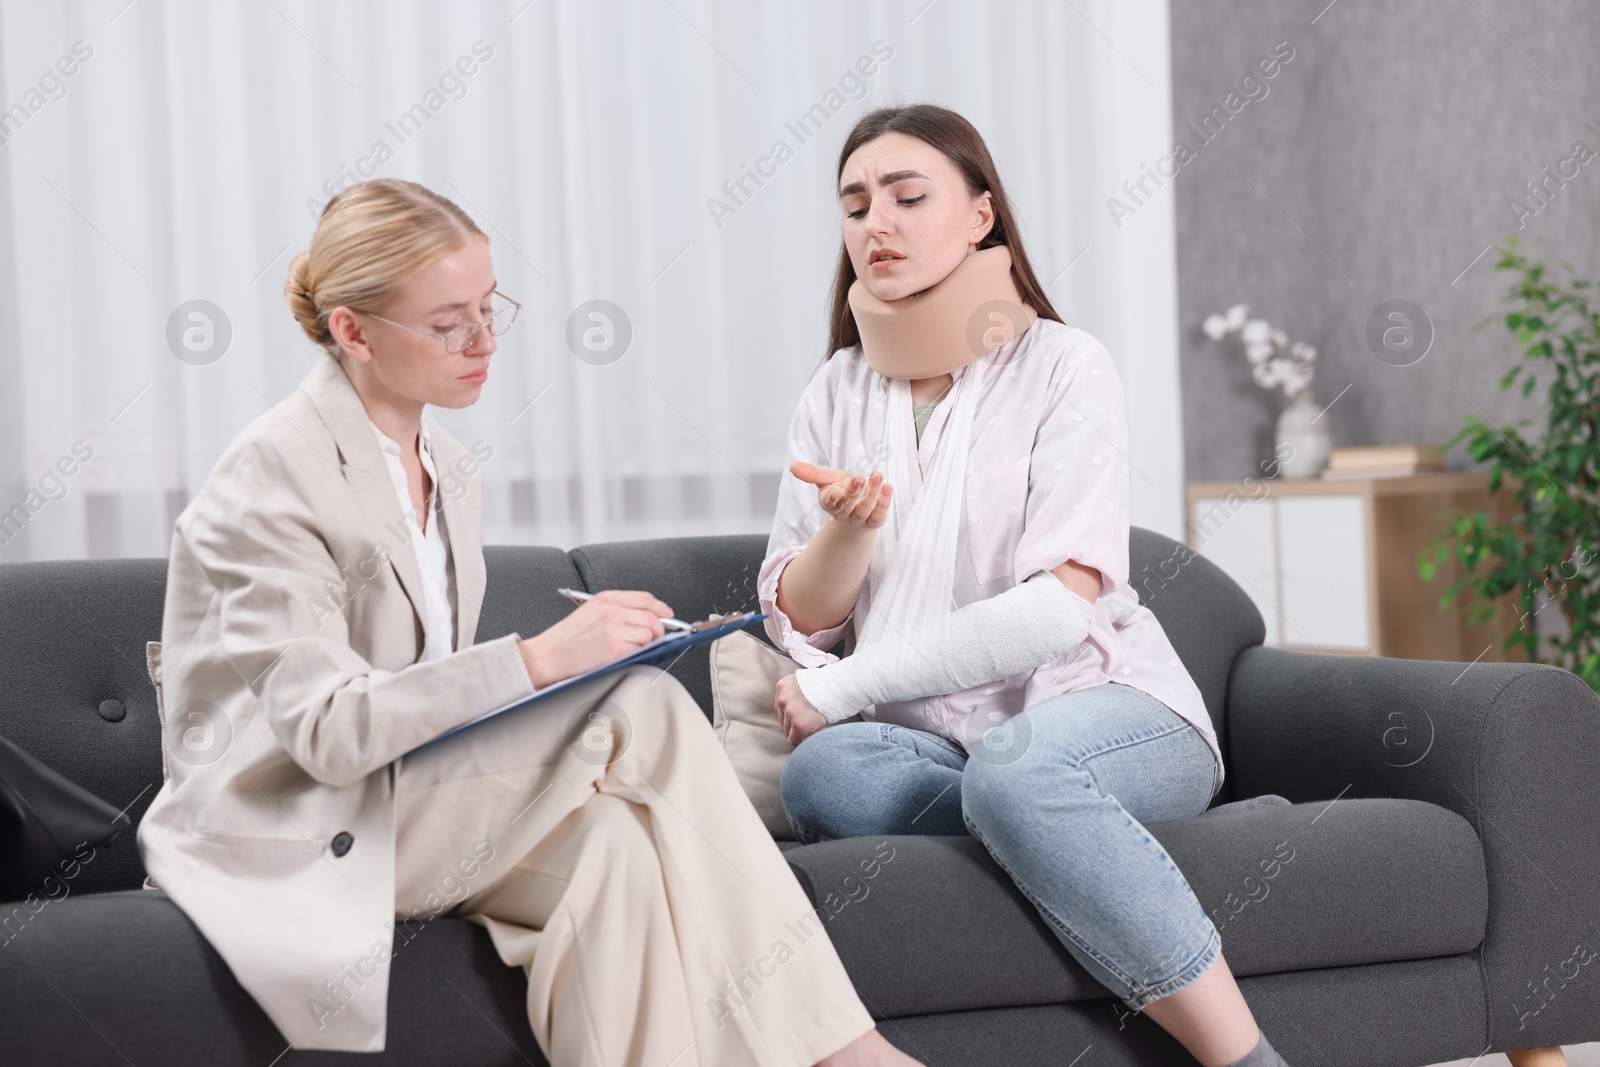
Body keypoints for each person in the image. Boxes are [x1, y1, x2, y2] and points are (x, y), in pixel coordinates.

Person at [135, 178, 925, 1066]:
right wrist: (541, 661)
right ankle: (846, 1050)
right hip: (301, 819)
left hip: (403, 796)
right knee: (647, 708)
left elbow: (421, 696)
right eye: (447, 323)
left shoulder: (448, 467)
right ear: (352, 331)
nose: (484, 341)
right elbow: (327, 732)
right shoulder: (271, 478)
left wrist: (554, 672)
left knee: (616, 853)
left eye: (489, 306)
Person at [759, 105, 1290, 1067]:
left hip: (1101, 705)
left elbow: (1057, 609)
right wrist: (847, 532)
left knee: (1021, 770)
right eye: (854, 204)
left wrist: (840, 688)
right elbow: (805, 616)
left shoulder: (1064, 366)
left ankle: (1248, 1060)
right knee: (824, 774)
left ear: (980, 217)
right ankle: (1072, 835)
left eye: (908, 196)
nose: (875, 221)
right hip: (942, 747)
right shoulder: (835, 391)